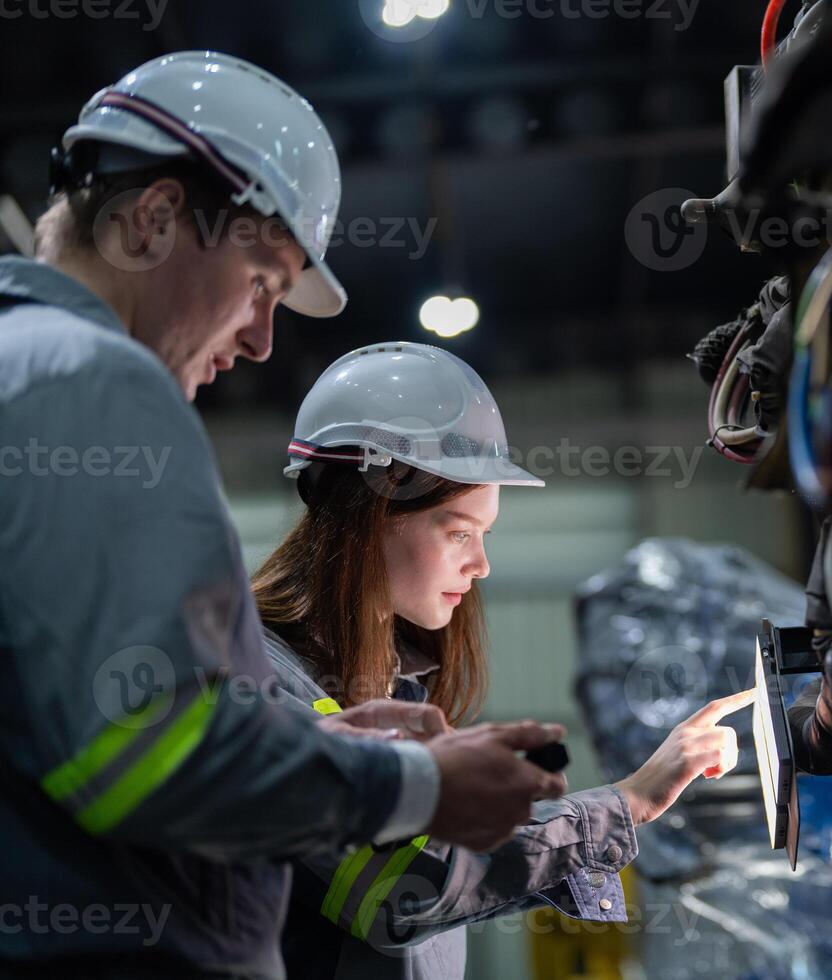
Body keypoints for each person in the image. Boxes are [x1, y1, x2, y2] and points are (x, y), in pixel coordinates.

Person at [0, 53, 566, 978]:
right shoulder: (94, 383)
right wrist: (415, 785)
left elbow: (71, 726)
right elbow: (139, 758)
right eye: (262, 279)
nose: (263, 337)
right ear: (153, 222)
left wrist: (307, 741)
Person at [249, 341, 753, 978]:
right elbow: (399, 887)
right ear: (369, 511)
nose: (481, 565)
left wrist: (568, 831)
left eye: (483, 536)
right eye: (459, 531)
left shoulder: (399, 694)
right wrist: (626, 803)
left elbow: (455, 871)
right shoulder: (262, 683)